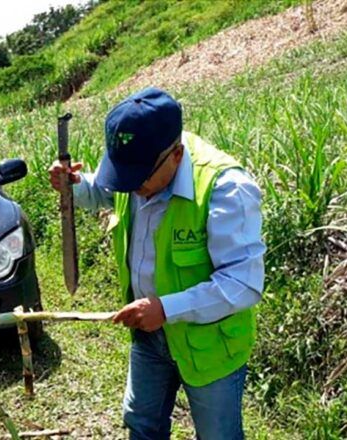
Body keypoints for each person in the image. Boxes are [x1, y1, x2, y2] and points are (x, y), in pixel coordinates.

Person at [48, 87, 265, 439]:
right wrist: (75, 185)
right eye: (124, 177)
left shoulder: (226, 188)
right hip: (149, 335)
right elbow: (106, 191)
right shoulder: (137, 163)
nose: (132, 189)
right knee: (141, 424)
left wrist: (166, 308)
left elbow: (243, 284)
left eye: (139, 180)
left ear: (176, 155)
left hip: (209, 344)